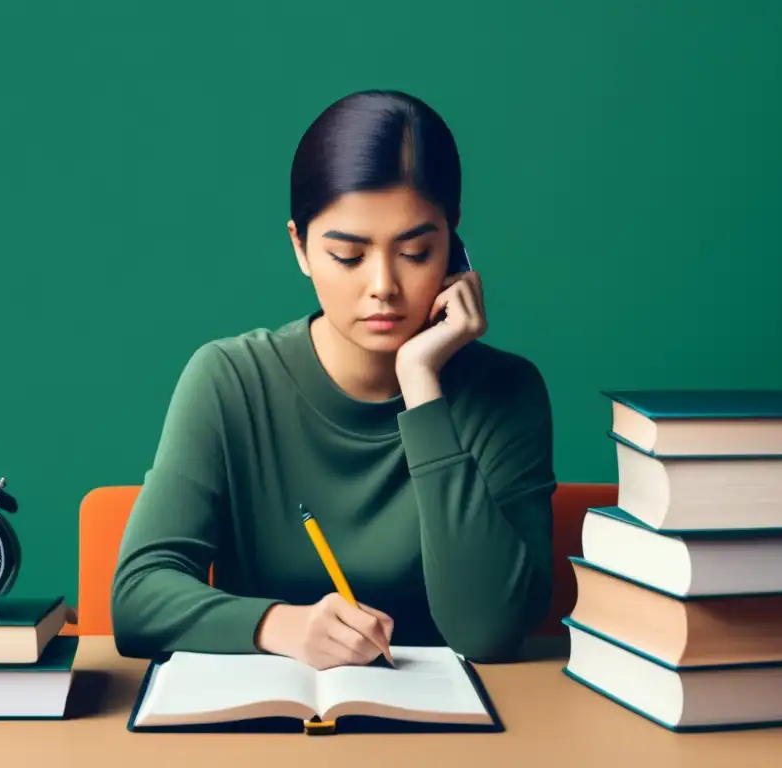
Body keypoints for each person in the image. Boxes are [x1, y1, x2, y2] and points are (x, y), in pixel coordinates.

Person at [111, 89, 556, 668]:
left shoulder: (507, 392)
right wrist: (281, 626)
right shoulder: (230, 380)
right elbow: (138, 597)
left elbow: (488, 632)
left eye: (417, 252)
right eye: (348, 256)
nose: (383, 287)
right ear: (300, 247)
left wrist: (421, 383)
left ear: (455, 243)